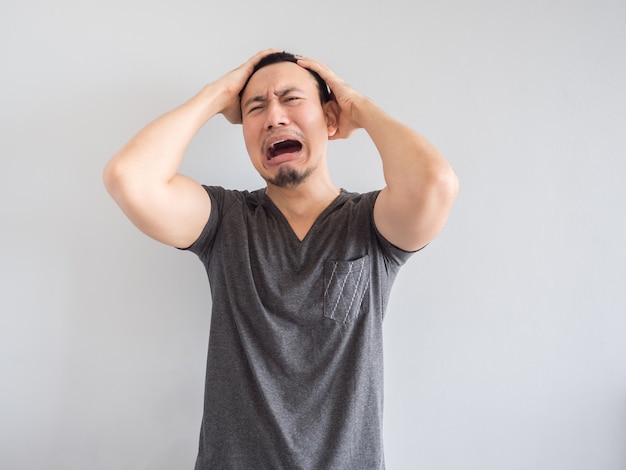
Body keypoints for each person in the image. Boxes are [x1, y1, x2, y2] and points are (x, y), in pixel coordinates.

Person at [103, 49, 458, 470]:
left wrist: (357, 106)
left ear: (330, 119)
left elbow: (435, 183)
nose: (274, 117)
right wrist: (218, 95)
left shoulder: (371, 224)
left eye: (292, 99)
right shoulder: (224, 221)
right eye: (256, 106)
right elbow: (129, 177)